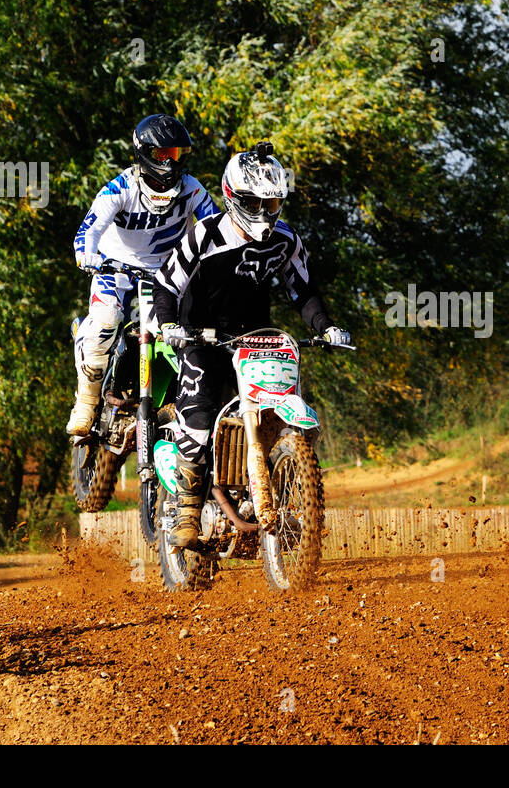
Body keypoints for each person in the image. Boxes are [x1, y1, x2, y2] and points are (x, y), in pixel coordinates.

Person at [152, 140, 350, 548]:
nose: (263, 213)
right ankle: (187, 510)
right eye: (254, 202)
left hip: (257, 338)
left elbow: (304, 290)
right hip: (201, 337)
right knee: (201, 412)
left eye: (272, 203)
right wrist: (170, 325)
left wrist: (327, 327)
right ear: (231, 196)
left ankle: (283, 484)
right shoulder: (205, 235)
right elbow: (166, 285)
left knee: (276, 411)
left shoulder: (287, 240)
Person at [66, 114, 220, 436]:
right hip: (115, 269)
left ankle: (182, 403)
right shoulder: (120, 187)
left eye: (175, 155)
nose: (169, 163)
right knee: (106, 320)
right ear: (145, 154)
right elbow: (88, 230)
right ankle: (87, 399)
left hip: (163, 275)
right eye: (162, 155)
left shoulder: (191, 190)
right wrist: (87, 255)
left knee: (177, 331)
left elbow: (215, 231)